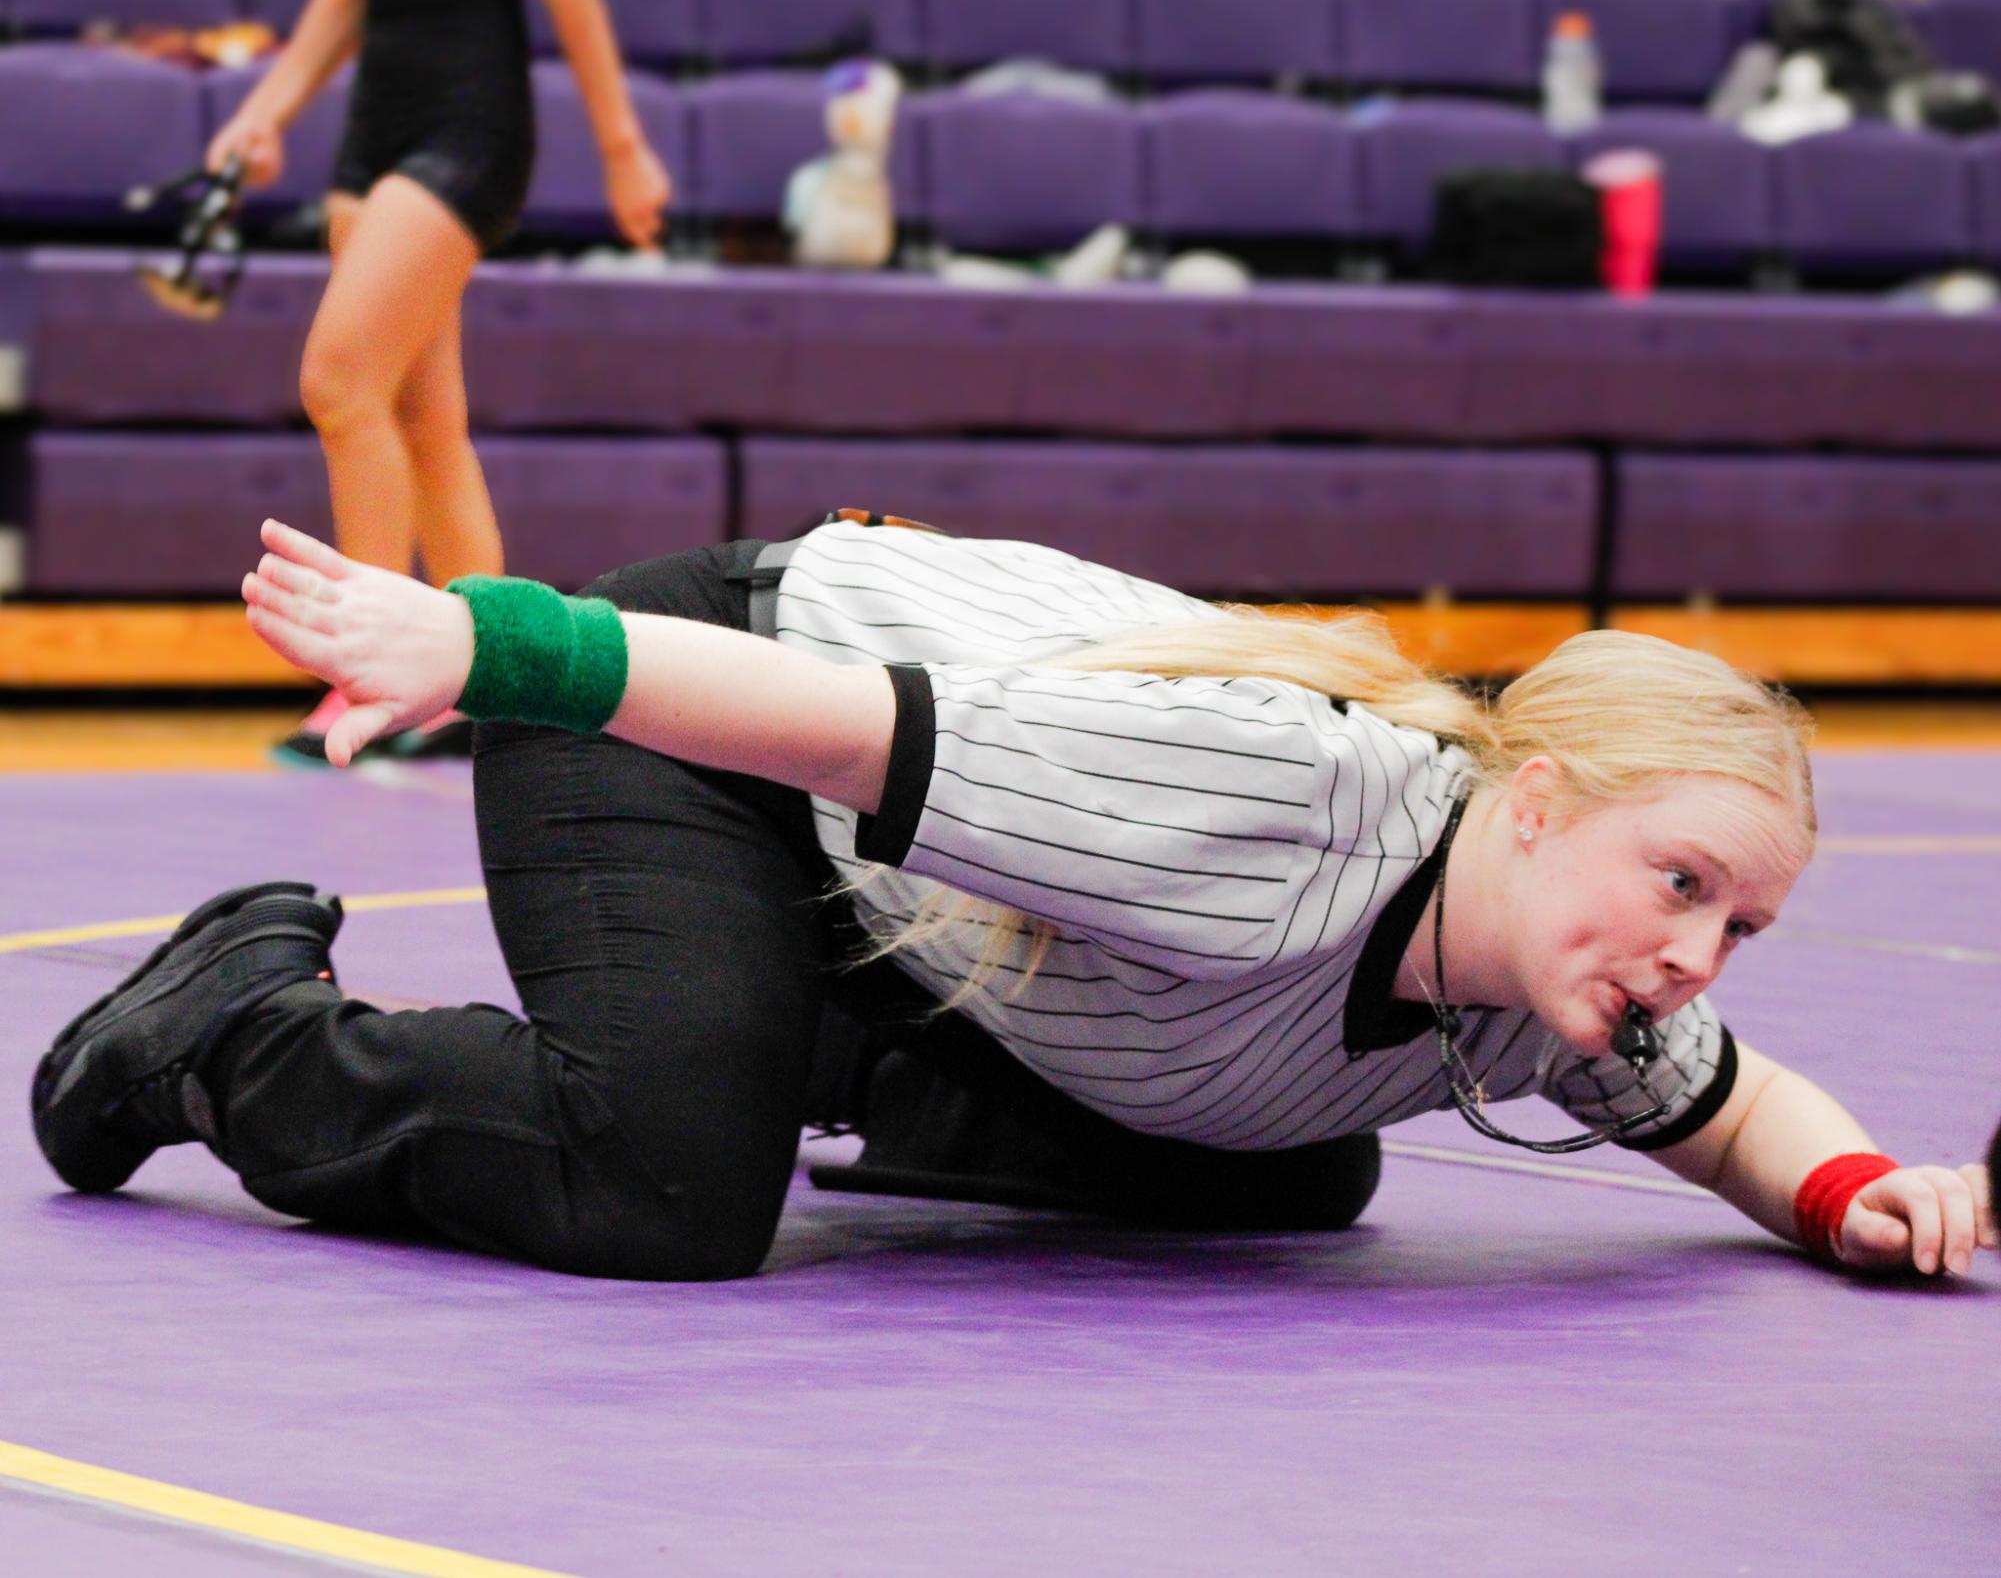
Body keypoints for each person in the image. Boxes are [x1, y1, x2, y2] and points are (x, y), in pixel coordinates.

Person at [31, 517, 1997, 1283]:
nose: (1689, 956)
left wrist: (1850, 1189)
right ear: (1536, 796)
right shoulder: (1275, 808)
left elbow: (1738, 1108)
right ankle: (229, 1027)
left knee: (1287, 1170)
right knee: (660, 1186)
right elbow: (814, 719)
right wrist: (497, 639)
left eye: (1733, 925)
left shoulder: (1565, 971)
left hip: (920, 863)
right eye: (1681, 886)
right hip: (706, 711)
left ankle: (820, 1049)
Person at [204, 0, 672, 760]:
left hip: (471, 125)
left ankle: (369, 676)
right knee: (425, 420)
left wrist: (622, 149)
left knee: (340, 383)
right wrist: (264, 114)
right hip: (374, 131)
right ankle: (491, 689)